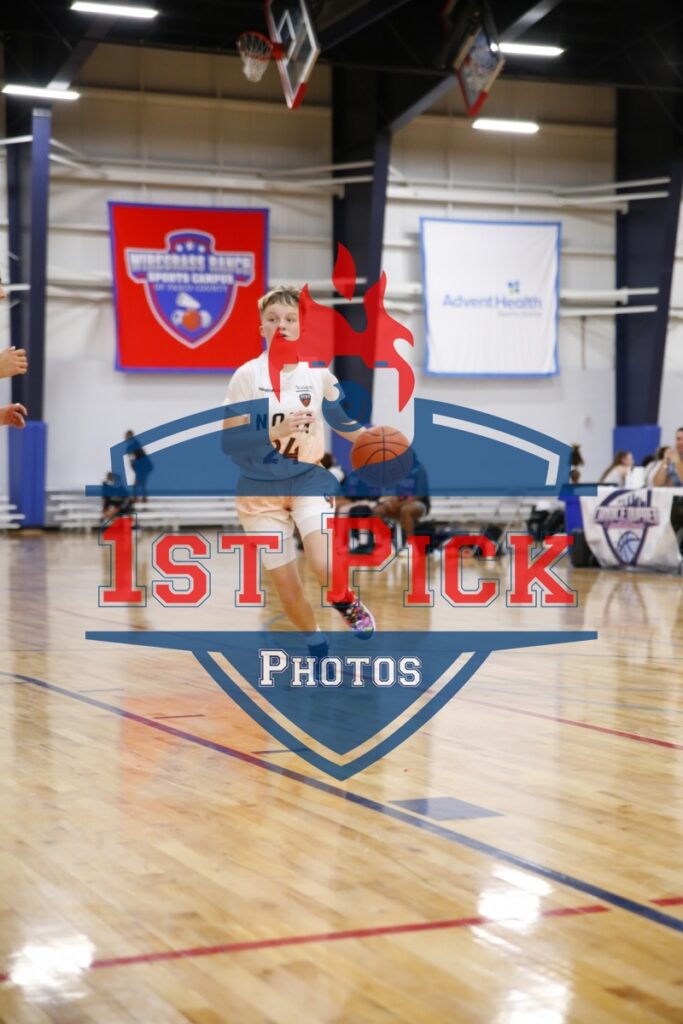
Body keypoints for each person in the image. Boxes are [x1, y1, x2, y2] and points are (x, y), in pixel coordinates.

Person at [222, 285, 374, 654]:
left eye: (290, 319)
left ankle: (345, 600)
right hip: (260, 493)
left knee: (323, 563)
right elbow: (230, 441)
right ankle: (315, 641)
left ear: (301, 327)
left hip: (307, 479)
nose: (282, 325)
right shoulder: (246, 375)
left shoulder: (318, 375)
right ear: (261, 328)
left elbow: (341, 421)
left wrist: (372, 439)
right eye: (273, 319)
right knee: (287, 588)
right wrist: (276, 429)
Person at [124, 430, 153, 502]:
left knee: (138, 483)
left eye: (128, 436)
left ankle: (138, 498)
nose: (126, 437)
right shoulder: (133, 444)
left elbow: (134, 459)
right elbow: (132, 460)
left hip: (143, 466)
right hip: (142, 467)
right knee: (141, 483)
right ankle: (142, 498)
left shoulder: (134, 445)